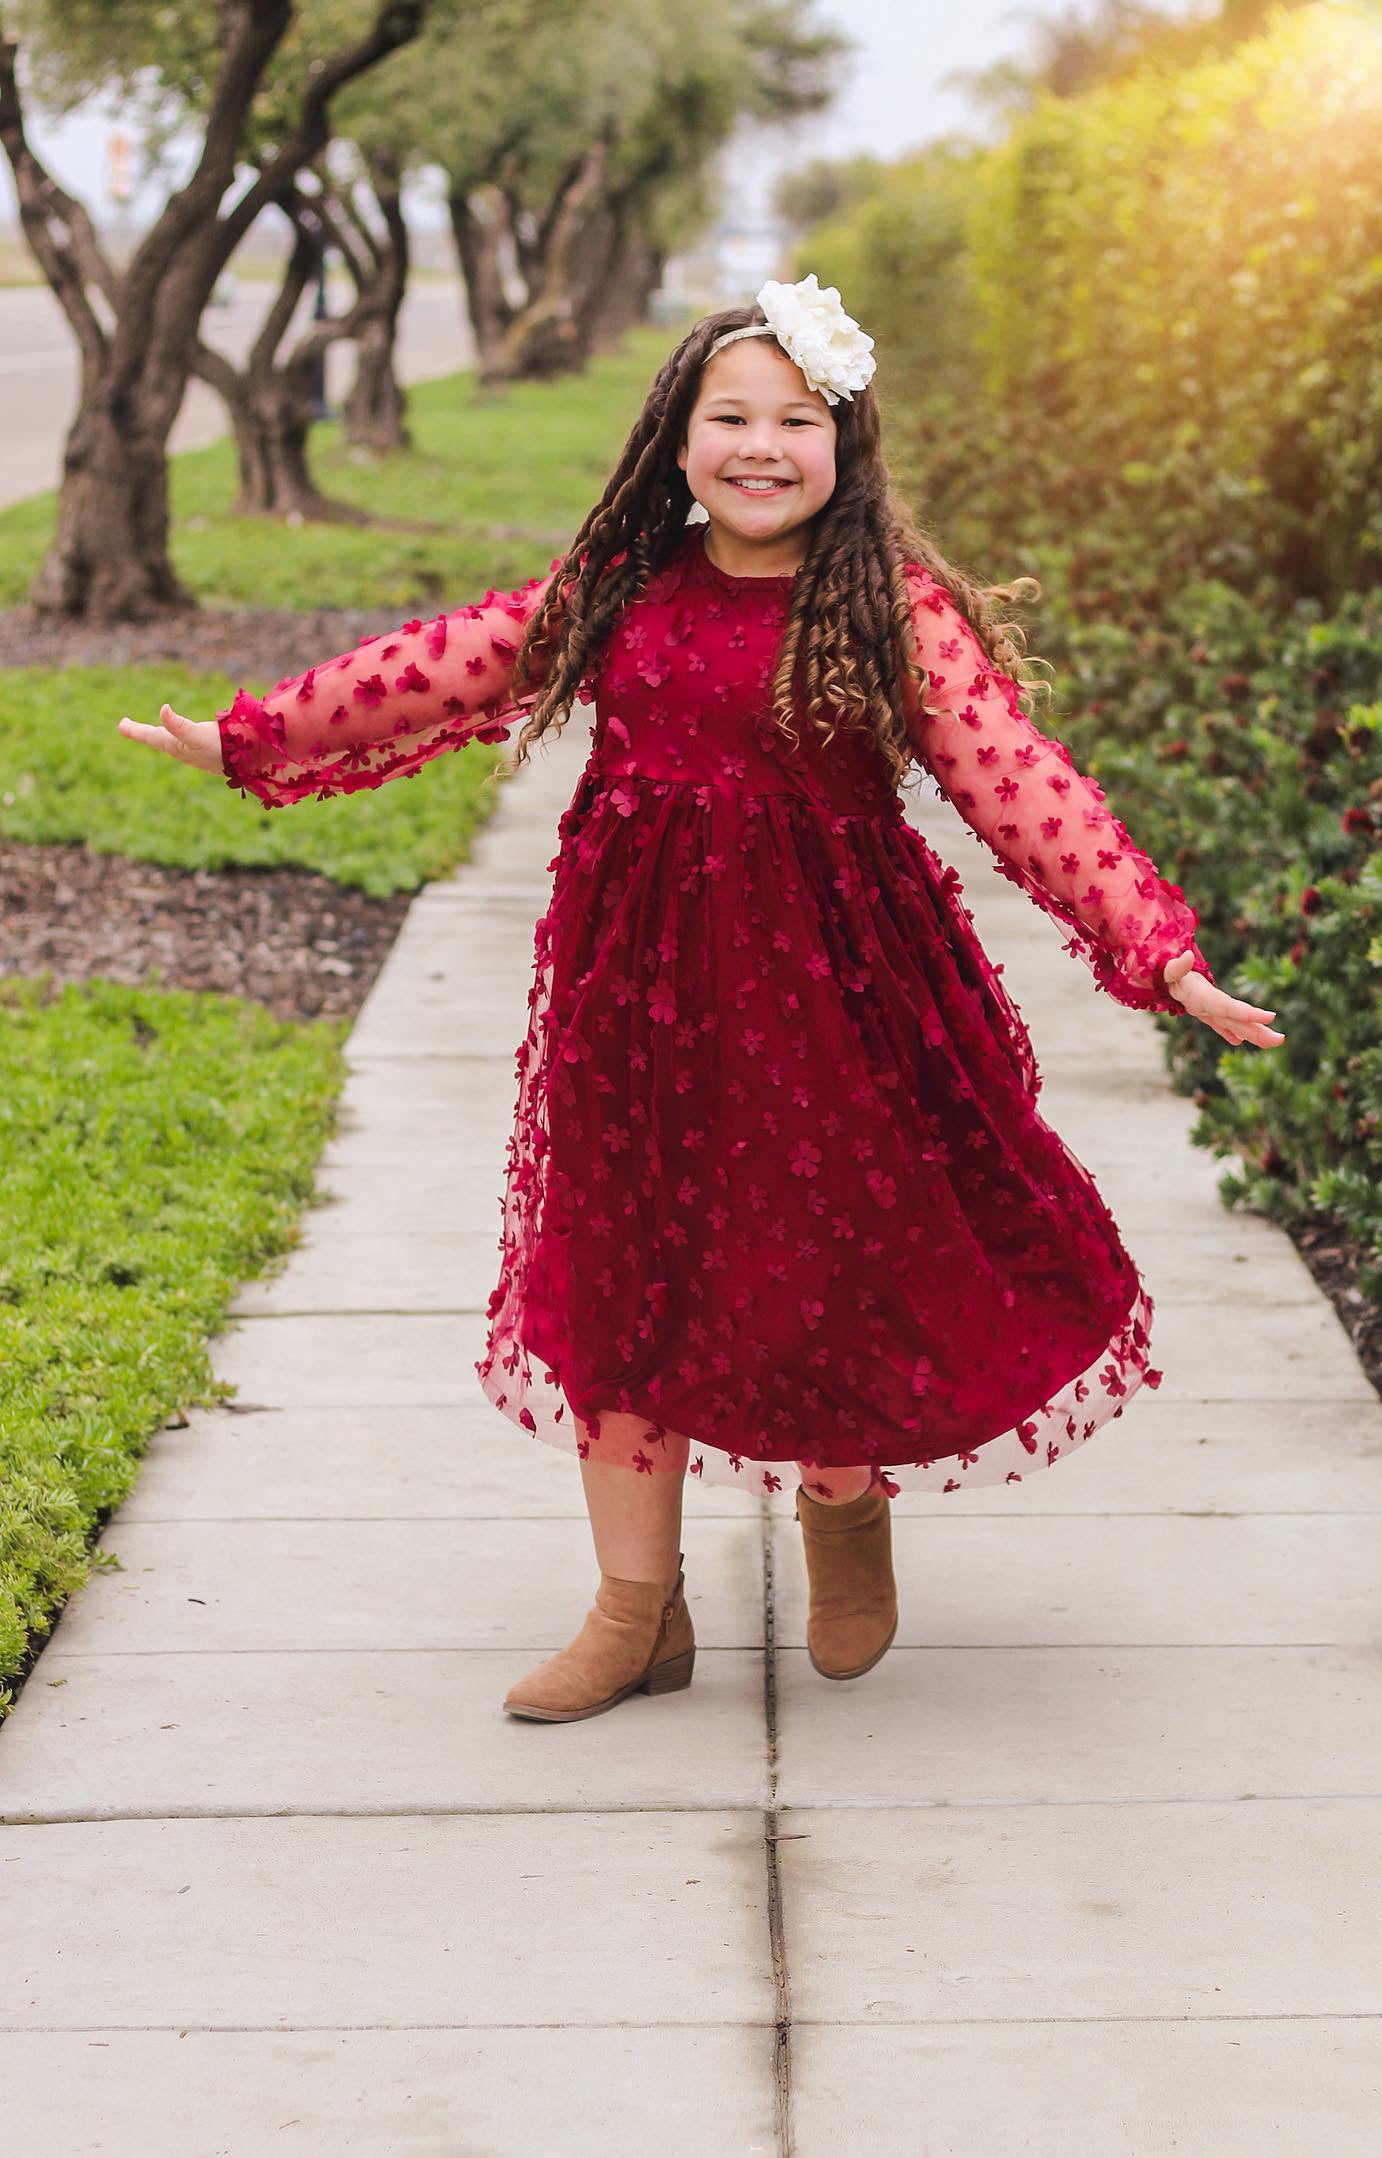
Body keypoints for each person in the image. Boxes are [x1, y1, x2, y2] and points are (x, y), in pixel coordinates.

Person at [118, 274, 1283, 1726]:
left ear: (845, 447)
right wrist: (255, 735)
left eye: (798, 419)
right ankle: (634, 1611)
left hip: (840, 1007)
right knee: (624, 1276)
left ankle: (842, 1502)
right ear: (676, 441)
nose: (760, 444)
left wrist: (1155, 943)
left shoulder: (890, 612)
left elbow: (1021, 783)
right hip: (639, 999)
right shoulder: (623, 589)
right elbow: (450, 664)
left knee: (820, 1266)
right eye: (729, 415)